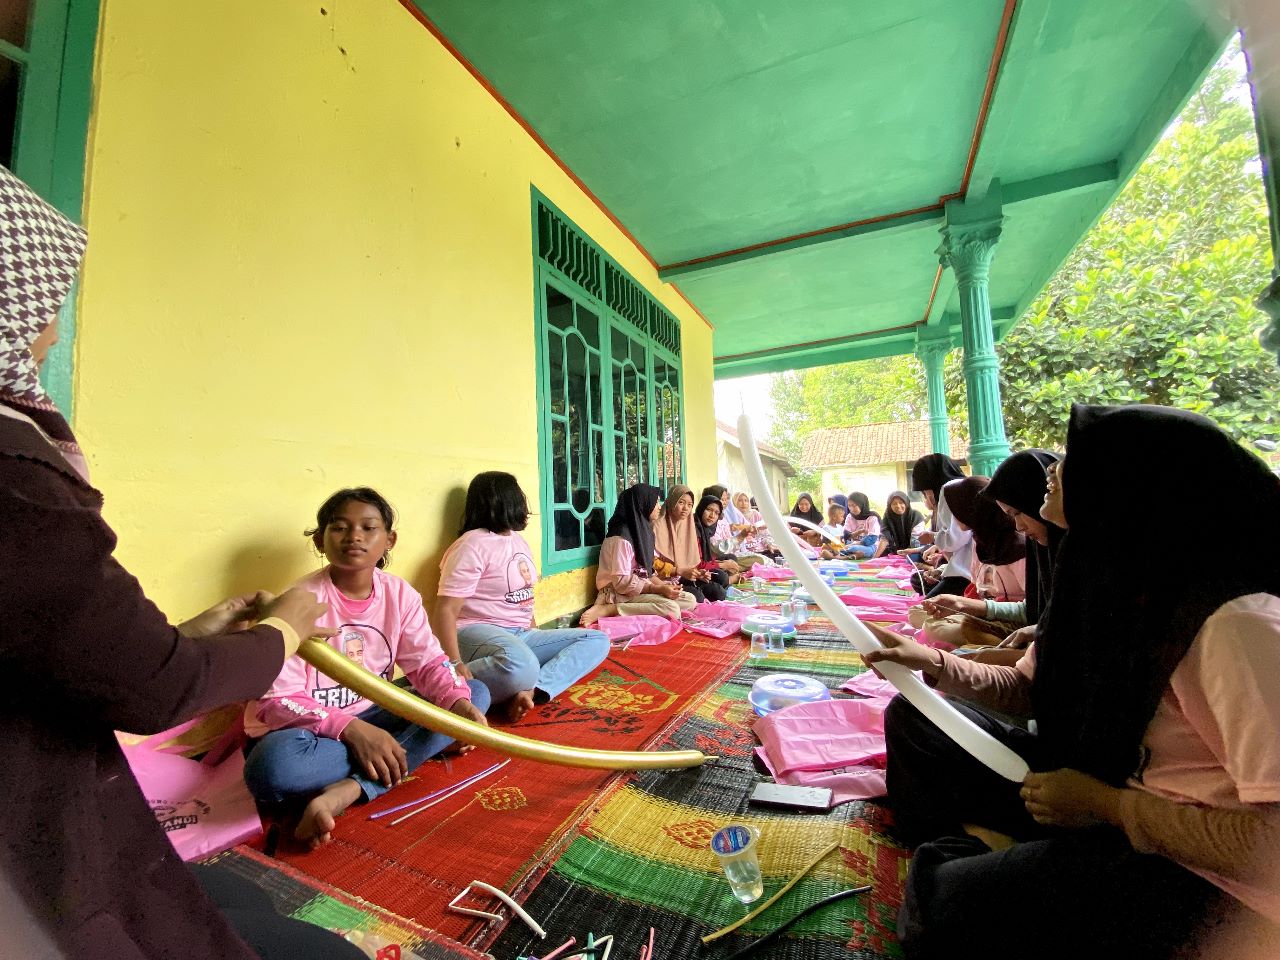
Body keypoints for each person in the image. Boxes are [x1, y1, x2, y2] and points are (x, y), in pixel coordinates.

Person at [0, 165, 361, 958]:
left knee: (232, 897)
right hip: (32, 857)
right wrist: (285, 634)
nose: (52, 334)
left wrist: (190, 633)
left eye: (370, 530)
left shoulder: (392, 595)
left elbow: (60, 639)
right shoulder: (15, 473)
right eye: (46, 307)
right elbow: (162, 688)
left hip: (57, 808)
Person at [868, 404, 1280, 960]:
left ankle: (999, 853)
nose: (1054, 472)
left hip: (1200, 869)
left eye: (1072, 463)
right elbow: (1025, 688)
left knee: (942, 904)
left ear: (1129, 485)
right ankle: (1010, 851)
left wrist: (1110, 808)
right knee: (913, 716)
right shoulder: (1103, 582)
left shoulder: (1236, 624)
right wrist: (930, 662)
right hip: (1090, 784)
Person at [243, 487, 491, 849]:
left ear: (389, 540)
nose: (354, 536)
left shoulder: (399, 594)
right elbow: (276, 701)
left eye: (367, 528)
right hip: (307, 733)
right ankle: (401, 755)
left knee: (474, 695)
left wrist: (457, 703)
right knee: (272, 769)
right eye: (339, 527)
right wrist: (354, 732)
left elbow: (427, 662)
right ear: (320, 539)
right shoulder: (298, 601)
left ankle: (349, 789)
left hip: (376, 713)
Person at [436, 472, 609, 723]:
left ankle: (530, 690)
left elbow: (526, 598)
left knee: (596, 640)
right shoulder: (471, 545)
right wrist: (453, 663)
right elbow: (446, 610)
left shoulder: (518, 541)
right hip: (475, 632)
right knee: (521, 664)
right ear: (503, 500)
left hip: (519, 634)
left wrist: (536, 632)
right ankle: (437, 685)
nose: (524, 503)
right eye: (517, 494)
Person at [926, 450, 1062, 652]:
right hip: (1023, 635)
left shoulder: (1022, 548)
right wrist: (963, 604)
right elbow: (1036, 609)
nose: (1018, 527)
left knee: (959, 652)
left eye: (1051, 491)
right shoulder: (1039, 548)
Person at [581, 484, 697, 624]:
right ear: (643, 504)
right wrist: (656, 589)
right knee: (671, 608)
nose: (659, 507)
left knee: (689, 600)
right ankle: (609, 609)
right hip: (617, 593)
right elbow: (621, 583)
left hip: (637, 589)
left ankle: (632, 609)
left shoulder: (642, 532)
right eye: (655, 502)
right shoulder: (621, 538)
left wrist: (665, 588)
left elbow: (646, 572)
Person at [938, 476, 1025, 603]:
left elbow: (1031, 606)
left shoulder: (1018, 549)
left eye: (956, 510)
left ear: (971, 510)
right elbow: (976, 588)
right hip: (985, 612)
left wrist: (973, 609)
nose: (954, 518)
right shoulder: (979, 541)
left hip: (1012, 619)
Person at [911, 453, 973, 597]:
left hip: (967, 575)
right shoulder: (963, 487)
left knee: (925, 610)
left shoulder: (949, 490)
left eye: (925, 492)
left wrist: (932, 537)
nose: (926, 496)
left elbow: (955, 541)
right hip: (969, 570)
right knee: (918, 580)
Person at [655, 484, 722, 602]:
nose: (686, 508)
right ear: (672, 501)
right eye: (681, 502)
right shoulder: (657, 526)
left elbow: (690, 560)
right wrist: (678, 570)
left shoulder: (688, 525)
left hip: (680, 576)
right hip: (660, 580)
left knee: (717, 592)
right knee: (697, 597)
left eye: (690, 505)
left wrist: (697, 573)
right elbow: (652, 563)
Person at [693, 493, 738, 594]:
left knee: (730, 558)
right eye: (709, 510)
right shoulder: (694, 529)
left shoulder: (707, 529)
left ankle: (727, 580)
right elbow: (698, 564)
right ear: (701, 509)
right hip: (694, 570)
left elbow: (708, 558)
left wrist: (723, 563)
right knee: (720, 586)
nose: (712, 516)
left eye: (717, 513)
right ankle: (729, 580)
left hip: (704, 567)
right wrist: (722, 565)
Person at [875, 490, 925, 558]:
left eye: (901, 503)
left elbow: (915, 541)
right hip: (898, 550)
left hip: (916, 548)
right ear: (890, 506)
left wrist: (907, 554)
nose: (898, 506)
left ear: (906, 503)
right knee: (882, 554)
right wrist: (874, 558)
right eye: (894, 504)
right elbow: (884, 538)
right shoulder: (888, 517)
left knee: (915, 557)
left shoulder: (916, 516)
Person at [842, 491, 882, 559]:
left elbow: (871, 540)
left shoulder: (872, 517)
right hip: (851, 544)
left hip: (871, 546)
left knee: (853, 548)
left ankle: (844, 554)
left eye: (854, 505)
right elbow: (846, 535)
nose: (851, 508)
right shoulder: (849, 516)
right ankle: (852, 554)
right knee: (837, 546)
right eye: (849, 505)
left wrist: (853, 543)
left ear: (862, 504)